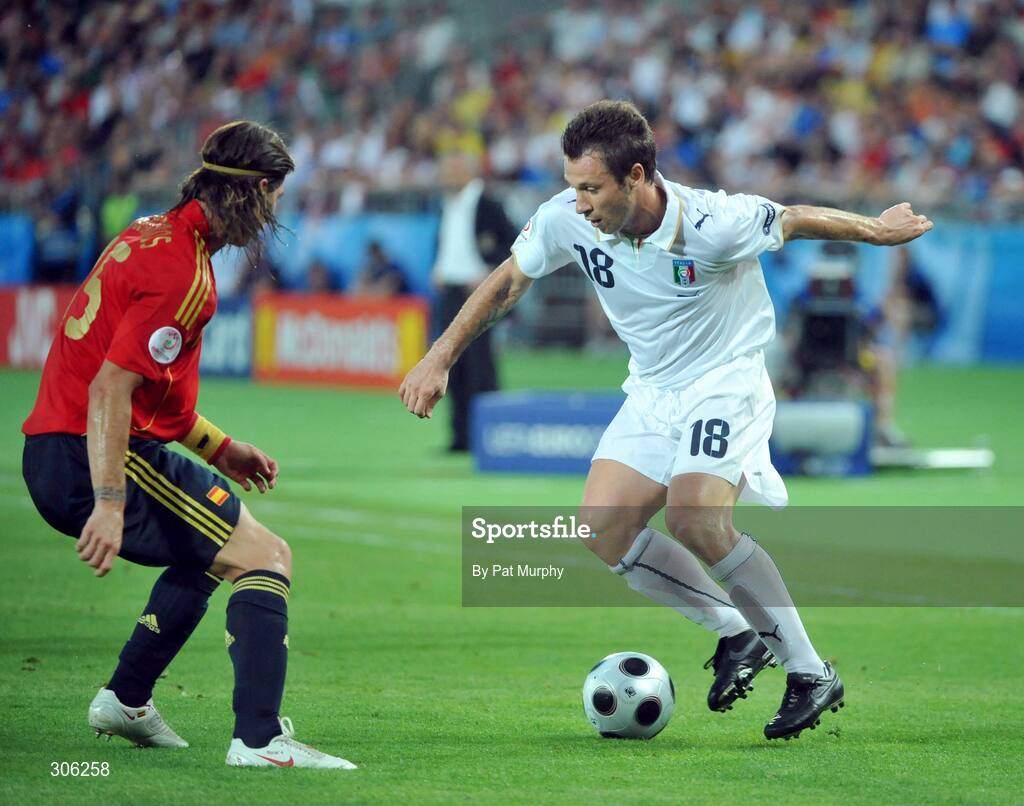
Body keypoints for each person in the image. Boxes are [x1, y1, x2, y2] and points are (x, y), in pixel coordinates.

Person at [400, 100, 933, 741]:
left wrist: (877, 229)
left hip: (725, 380)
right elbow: (510, 279)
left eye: (592, 187)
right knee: (603, 529)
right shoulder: (566, 219)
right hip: (653, 390)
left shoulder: (713, 221)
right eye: (573, 186)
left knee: (695, 518)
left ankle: (810, 671)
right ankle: (737, 631)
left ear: (638, 175)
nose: (579, 202)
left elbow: (793, 219)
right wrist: (439, 355)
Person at [21, 121, 355, 770]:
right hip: (91, 454)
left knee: (211, 550)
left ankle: (126, 698)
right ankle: (259, 740)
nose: (275, 214)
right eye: (278, 197)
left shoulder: (152, 233)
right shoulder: (184, 273)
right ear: (257, 191)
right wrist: (110, 502)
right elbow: (112, 391)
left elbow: (148, 392)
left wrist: (218, 446)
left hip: (65, 446)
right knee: (266, 554)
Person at [432, 151, 518, 452]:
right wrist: (439, 269)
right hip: (451, 290)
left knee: (481, 365)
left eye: (452, 170)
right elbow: (446, 243)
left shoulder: (488, 204)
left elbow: (513, 243)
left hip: (478, 292)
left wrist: (487, 272)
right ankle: (460, 437)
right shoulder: (448, 204)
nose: (447, 177)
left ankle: (488, 436)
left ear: (469, 172)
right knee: (450, 365)